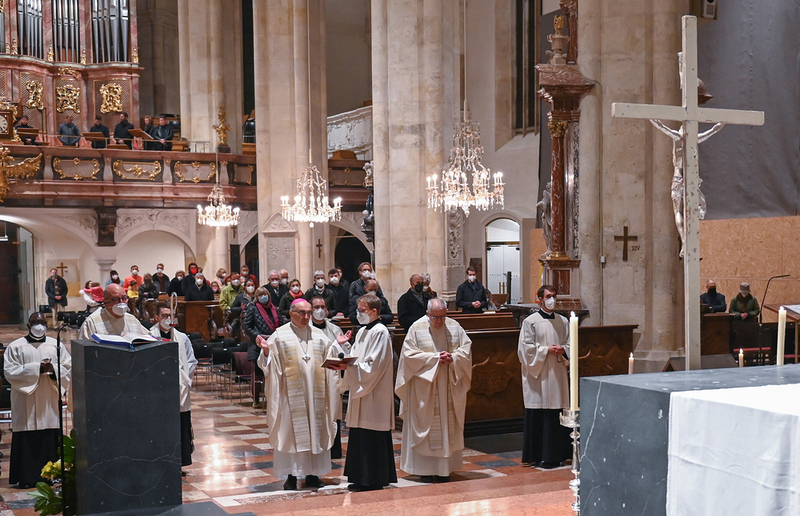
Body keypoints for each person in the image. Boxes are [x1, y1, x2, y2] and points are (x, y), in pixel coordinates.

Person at [256, 299, 351, 490]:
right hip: (290, 398)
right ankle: (291, 475)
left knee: (316, 431)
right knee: (292, 433)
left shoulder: (319, 336)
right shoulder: (280, 336)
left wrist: (337, 346)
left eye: (309, 313)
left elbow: (332, 360)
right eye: (302, 313)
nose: (306, 317)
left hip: (317, 396)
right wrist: (266, 351)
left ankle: (314, 474)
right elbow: (268, 365)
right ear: (291, 313)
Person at [395, 298, 472, 481]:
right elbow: (409, 356)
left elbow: (466, 349)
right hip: (425, 387)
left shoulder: (454, 326)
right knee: (426, 424)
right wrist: (435, 358)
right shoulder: (416, 328)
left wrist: (453, 358)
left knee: (447, 425)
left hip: (448, 385)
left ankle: (445, 469)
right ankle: (424, 469)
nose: (439, 321)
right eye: (435, 317)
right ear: (428, 314)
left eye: (443, 316)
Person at [4, 313, 72, 488]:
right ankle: (27, 477)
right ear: (28, 325)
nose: (39, 326)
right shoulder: (16, 346)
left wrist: (54, 370)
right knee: (27, 438)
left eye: (42, 322)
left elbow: (68, 367)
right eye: (36, 322)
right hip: (25, 401)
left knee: (50, 437)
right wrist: (37, 369)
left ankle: (53, 476)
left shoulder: (56, 345)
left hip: (49, 401)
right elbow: (9, 371)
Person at [338, 294, 397, 491]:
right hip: (362, 390)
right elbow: (357, 355)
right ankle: (359, 475)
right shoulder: (363, 331)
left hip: (374, 392)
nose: (358, 313)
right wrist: (344, 353)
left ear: (374, 311)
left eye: (362, 310)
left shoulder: (380, 332)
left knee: (372, 435)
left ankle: (373, 477)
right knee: (359, 434)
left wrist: (351, 368)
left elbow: (374, 365)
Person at [517, 284, 572, 468]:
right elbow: (525, 349)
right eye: (548, 296)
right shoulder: (530, 321)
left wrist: (564, 349)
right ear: (539, 298)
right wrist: (547, 350)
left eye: (554, 296)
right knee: (540, 412)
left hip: (557, 373)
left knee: (557, 412)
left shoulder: (563, 321)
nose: (552, 299)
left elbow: (571, 344)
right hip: (539, 375)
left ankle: (559, 454)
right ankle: (538, 455)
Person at [150, 305, 197, 470]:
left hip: (179, 389)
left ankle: (180, 462)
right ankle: (161, 462)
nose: (168, 319)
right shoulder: (149, 336)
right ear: (156, 317)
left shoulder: (182, 338)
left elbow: (191, 361)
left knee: (181, 426)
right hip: (157, 389)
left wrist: (184, 380)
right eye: (164, 315)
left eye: (171, 315)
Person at [310, 295, 347, 458]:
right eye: (316, 307)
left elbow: (346, 350)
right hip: (313, 379)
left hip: (331, 379)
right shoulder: (306, 329)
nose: (320, 310)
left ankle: (334, 450)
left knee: (333, 413)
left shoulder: (334, 329)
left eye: (322, 307)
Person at [244, 286, 283, 406]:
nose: (264, 297)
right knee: (258, 372)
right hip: (258, 344)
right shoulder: (252, 308)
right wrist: (258, 336)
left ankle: (274, 397)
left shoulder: (274, 309)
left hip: (273, 343)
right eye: (261, 295)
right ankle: (256, 398)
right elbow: (247, 326)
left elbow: (281, 323)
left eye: (265, 294)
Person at [78, 283, 149, 338]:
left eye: (124, 298)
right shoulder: (92, 322)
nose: (121, 302)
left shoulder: (132, 319)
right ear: (105, 301)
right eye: (116, 299)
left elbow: (149, 338)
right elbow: (82, 351)